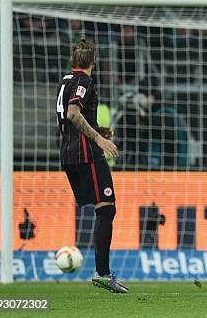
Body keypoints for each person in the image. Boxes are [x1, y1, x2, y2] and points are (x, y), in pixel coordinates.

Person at [55, 38, 128, 293]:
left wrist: (100, 130)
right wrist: (97, 139)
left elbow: (69, 117)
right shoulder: (84, 81)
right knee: (106, 208)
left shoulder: (65, 81)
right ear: (93, 62)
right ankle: (102, 273)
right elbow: (73, 113)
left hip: (68, 153)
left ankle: (102, 271)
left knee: (103, 209)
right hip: (86, 153)